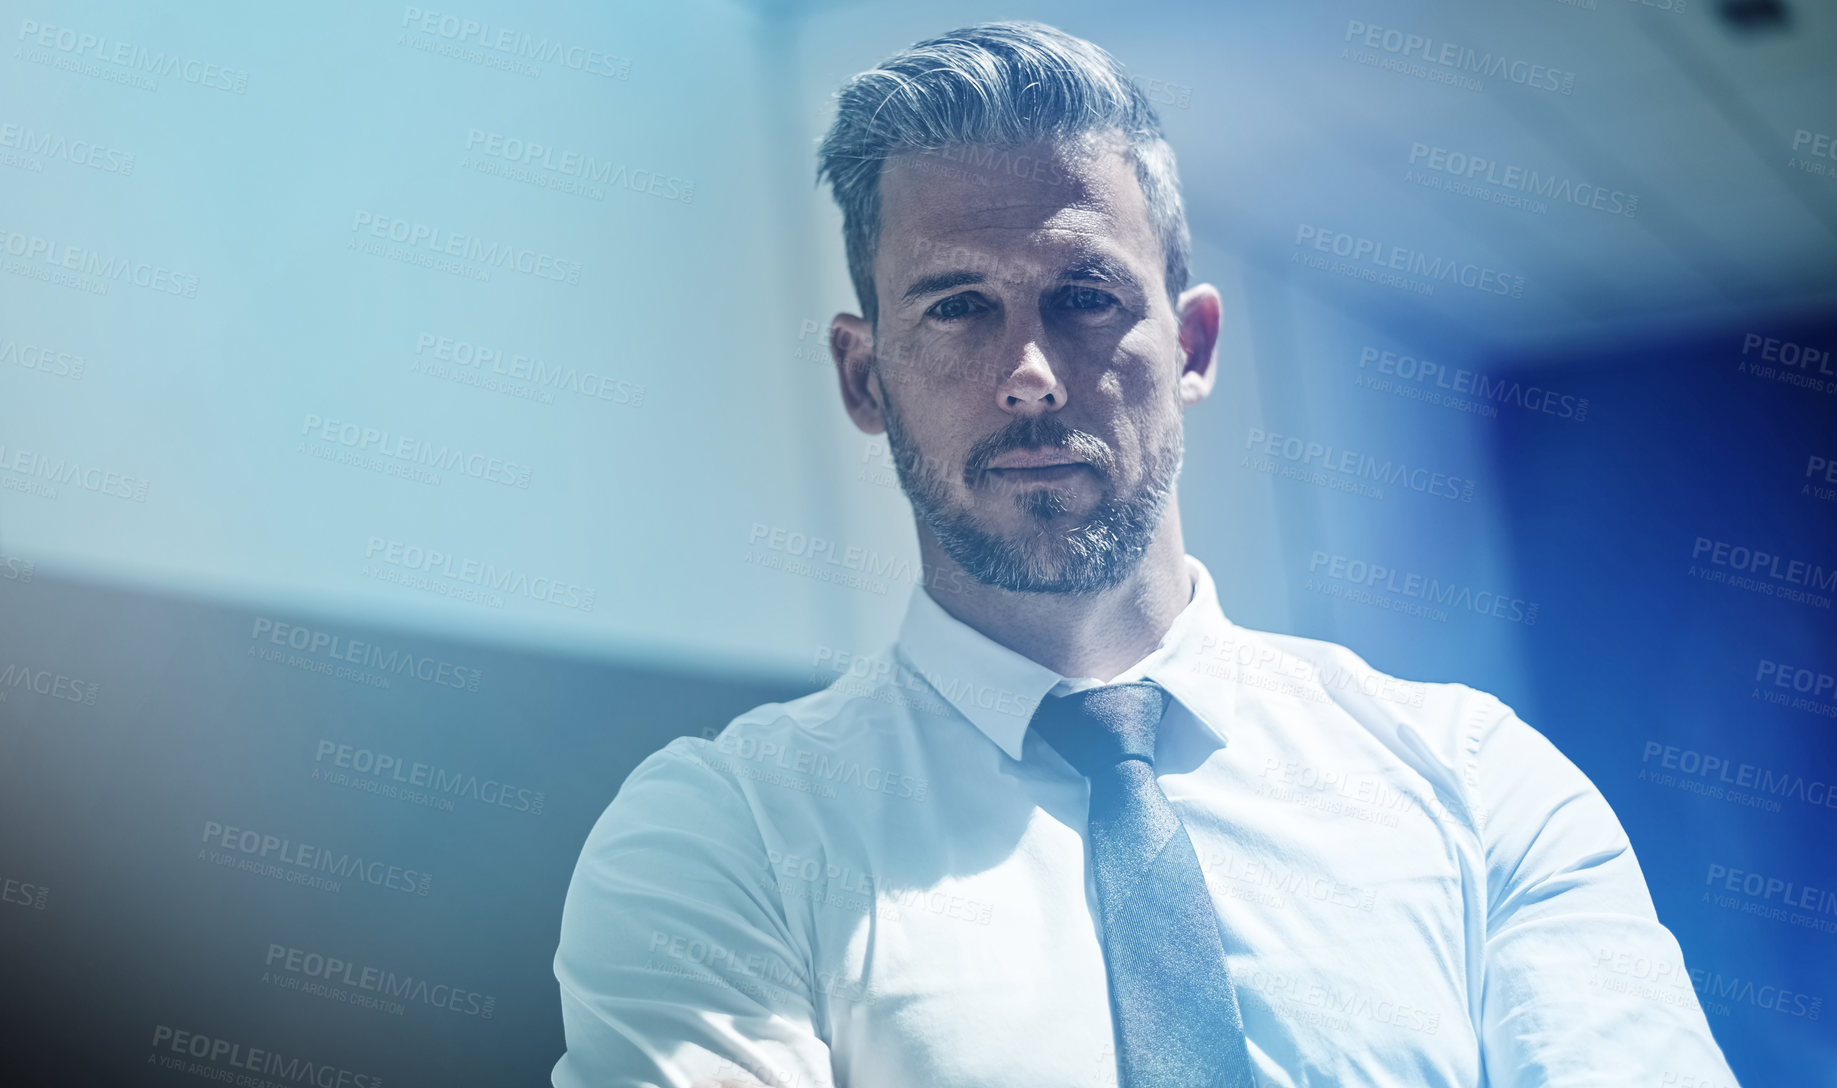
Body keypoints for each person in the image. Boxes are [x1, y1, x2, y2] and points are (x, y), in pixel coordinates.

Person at [552, 21, 1740, 1088]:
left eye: (1083, 294)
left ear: (1193, 344)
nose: (1028, 370)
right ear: (865, 376)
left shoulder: (1479, 789)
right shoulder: (723, 841)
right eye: (957, 306)